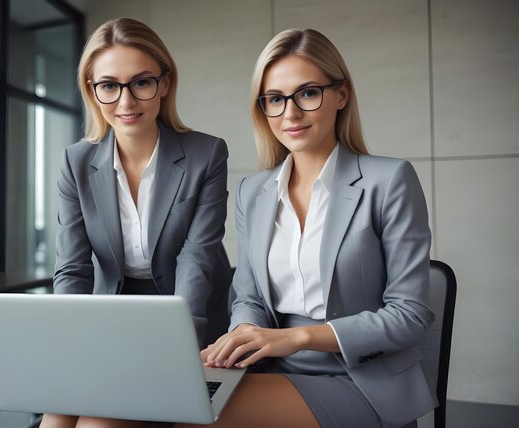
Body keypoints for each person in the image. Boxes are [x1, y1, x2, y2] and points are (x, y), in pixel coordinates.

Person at [194, 28, 437, 428]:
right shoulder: (252, 192)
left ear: (341, 94)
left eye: (307, 93)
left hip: (360, 380)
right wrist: (239, 338)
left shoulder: (389, 179)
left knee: (197, 418)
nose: (290, 113)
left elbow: (410, 315)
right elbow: (249, 297)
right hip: (270, 368)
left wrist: (297, 337)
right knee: (156, 404)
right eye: (275, 99)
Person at [43, 17, 232, 428]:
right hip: (115, 313)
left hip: (189, 313)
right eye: (109, 85)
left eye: (141, 82)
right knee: (56, 413)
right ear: (92, 92)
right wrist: (67, 341)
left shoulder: (206, 154)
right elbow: (72, 267)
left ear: (164, 83)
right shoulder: (76, 162)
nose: (125, 101)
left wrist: (182, 344)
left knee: (96, 421)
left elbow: (197, 258)